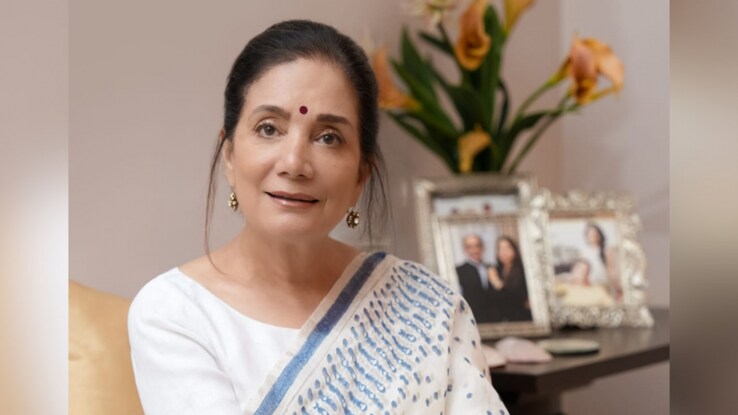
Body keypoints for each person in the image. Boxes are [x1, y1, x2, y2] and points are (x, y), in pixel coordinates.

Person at [127, 20, 507, 414]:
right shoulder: (176, 313)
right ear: (229, 156)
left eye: (328, 137)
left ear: (361, 176)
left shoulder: (427, 310)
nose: (294, 163)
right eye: (269, 128)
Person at [486, 236, 532, 322]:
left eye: (507, 248)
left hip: (521, 318)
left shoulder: (523, 270)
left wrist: (496, 282)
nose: (504, 252)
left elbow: (517, 298)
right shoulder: (496, 270)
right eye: (500, 249)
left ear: (515, 251)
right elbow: (492, 298)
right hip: (501, 320)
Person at [455, 234, 496, 322]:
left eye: (477, 245)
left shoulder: (492, 268)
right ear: (465, 249)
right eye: (470, 247)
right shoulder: (459, 270)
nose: (475, 250)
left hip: (494, 317)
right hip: (471, 317)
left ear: (483, 247)